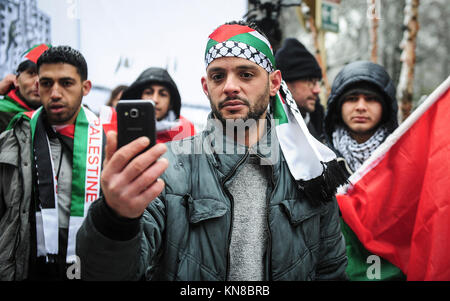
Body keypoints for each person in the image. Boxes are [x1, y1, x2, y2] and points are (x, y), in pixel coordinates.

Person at [76, 20, 348, 281]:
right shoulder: (167, 168)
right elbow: (108, 273)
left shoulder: (309, 172)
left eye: (246, 74)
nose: (230, 86)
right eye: (218, 76)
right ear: (206, 87)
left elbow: (330, 270)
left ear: (275, 83)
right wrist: (115, 217)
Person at [0, 45, 103, 280]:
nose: (55, 93)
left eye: (66, 83)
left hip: (89, 267)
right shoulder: (10, 140)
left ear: (85, 87)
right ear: (38, 86)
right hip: (25, 266)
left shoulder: (107, 141)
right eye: (46, 83)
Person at [323, 60, 405, 280]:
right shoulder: (318, 160)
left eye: (370, 99)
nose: (360, 106)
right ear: (337, 107)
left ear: (386, 107)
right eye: (351, 99)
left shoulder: (404, 160)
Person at [120, 67, 196, 143]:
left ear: (171, 103)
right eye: (148, 92)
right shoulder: (117, 127)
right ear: (138, 97)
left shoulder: (187, 134)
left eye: (163, 94)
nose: (155, 100)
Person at [275, 38, 324, 140]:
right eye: (309, 81)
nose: (317, 90)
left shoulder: (321, 124)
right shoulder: (265, 130)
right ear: (285, 83)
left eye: (317, 82)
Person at [0, 44, 51, 133]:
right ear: (16, 80)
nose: (38, 82)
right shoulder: (2, 112)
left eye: (46, 75)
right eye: (31, 73)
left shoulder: (68, 116)